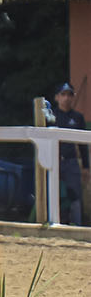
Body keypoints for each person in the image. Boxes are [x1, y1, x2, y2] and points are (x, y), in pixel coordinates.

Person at [48, 82, 87, 226]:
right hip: (53, 161)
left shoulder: (78, 117)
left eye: (69, 95)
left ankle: (77, 226)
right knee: (54, 193)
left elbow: (83, 144)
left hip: (71, 162)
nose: (66, 98)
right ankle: (55, 223)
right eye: (63, 94)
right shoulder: (51, 117)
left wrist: (86, 166)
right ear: (57, 97)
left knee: (75, 195)